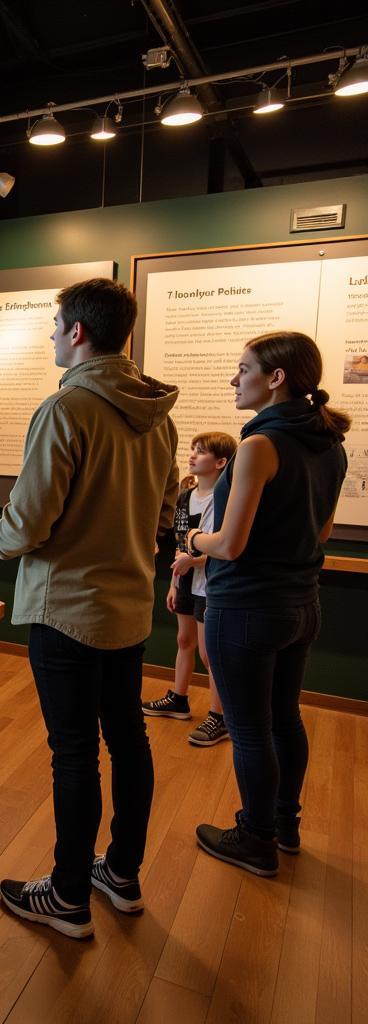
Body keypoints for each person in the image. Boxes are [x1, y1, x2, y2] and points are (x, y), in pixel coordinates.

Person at [0, 278, 179, 939]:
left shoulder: (65, 410)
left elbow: (31, 520)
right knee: (127, 738)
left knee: (73, 752)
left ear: (77, 333)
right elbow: (164, 514)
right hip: (128, 609)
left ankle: (68, 895)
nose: (50, 333)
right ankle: (120, 874)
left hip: (67, 609)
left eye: (54, 323)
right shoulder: (159, 416)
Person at [186, 331, 348, 876]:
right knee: (284, 718)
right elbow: (322, 531)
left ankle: (254, 838)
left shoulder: (259, 445)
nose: (235, 379)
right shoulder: (330, 444)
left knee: (250, 726)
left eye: (243, 368)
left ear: (275, 378)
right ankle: (285, 825)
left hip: (248, 608)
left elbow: (229, 543)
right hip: (301, 605)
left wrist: (191, 542)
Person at [143, 432, 237, 746]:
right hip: (185, 582)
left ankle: (218, 716)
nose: (193, 455)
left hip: (212, 585)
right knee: (184, 640)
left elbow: (227, 546)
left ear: (221, 462)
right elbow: (182, 543)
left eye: (202, 451)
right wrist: (173, 582)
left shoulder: (227, 499)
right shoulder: (186, 496)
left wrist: (193, 564)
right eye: (193, 449)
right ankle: (179, 699)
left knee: (210, 655)